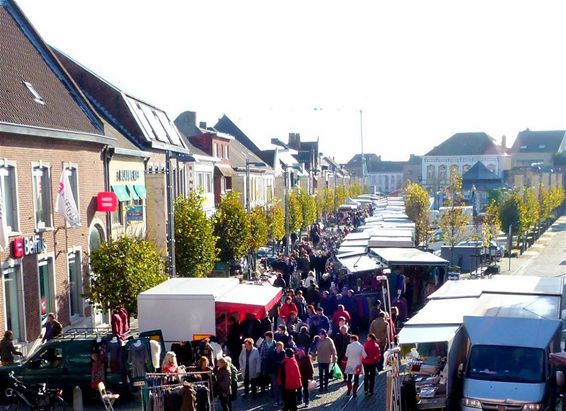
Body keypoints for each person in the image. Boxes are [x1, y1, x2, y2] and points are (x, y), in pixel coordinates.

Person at [267, 341, 285, 407]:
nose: (279, 348)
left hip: (281, 373)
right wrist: (269, 372)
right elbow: (268, 363)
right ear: (276, 347)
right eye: (278, 346)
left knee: (281, 386)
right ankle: (276, 401)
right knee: (275, 386)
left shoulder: (284, 353)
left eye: (280, 347)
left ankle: (281, 400)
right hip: (273, 372)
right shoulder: (272, 353)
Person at [259, 331, 275, 395]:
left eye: (267, 337)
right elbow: (261, 352)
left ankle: (272, 391)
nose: (265, 338)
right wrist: (260, 361)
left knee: (271, 377)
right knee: (263, 376)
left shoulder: (274, 344)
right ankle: (262, 391)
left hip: (271, 363)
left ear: (270, 337)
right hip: (264, 362)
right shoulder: (263, 343)